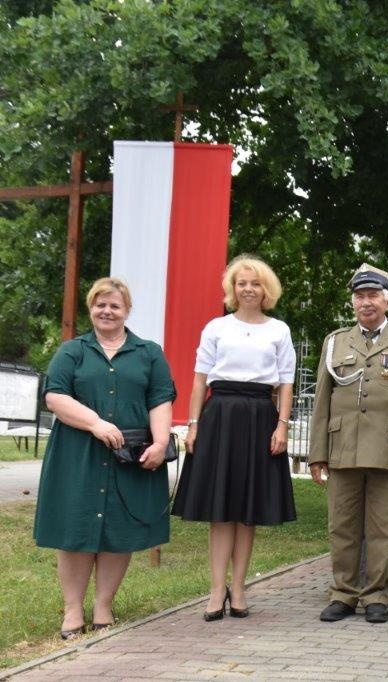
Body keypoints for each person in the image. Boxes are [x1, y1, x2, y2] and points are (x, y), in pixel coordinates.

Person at [34, 277, 176, 639]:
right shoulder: (72, 351)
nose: (107, 311)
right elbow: (55, 396)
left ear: (127, 310)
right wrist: (96, 423)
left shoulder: (149, 352)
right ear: (91, 308)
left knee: (118, 528)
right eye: (101, 304)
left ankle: (103, 606)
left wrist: (160, 443)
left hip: (129, 454)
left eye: (115, 305)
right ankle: (72, 610)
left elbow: (160, 399)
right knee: (75, 528)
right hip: (77, 454)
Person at [171, 255, 297, 621]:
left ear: (265, 289)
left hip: (260, 417)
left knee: (247, 510)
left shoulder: (279, 330)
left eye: (255, 283)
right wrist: (193, 424)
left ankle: (239, 589)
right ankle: (216, 590)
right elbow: (199, 380)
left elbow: (286, 383)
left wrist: (282, 425)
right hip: (220, 416)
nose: (248, 289)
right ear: (232, 288)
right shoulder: (216, 327)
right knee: (220, 509)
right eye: (242, 283)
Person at [309, 263, 388, 624]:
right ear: (353, 302)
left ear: (386, 301)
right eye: (360, 296)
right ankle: (343, 594)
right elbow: (322, 401)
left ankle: (376, 596)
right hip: (342, 447)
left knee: (382, 529)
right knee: (342, 527)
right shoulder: (335, 342)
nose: (366, 302)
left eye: (373, 295)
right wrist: (317, 454)